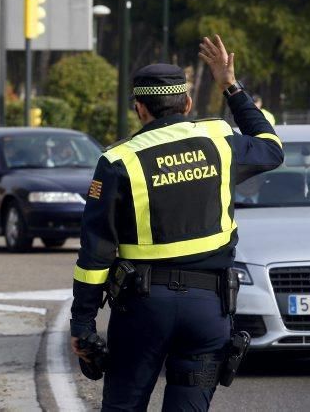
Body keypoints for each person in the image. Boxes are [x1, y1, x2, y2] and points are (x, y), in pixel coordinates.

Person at [70, 35, 284, 411]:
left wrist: (83, 325)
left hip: (142, 311)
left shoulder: (119, 160)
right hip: (208, 311)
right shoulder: (220, 140)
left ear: (139, 108)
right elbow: (269, 144)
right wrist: (230, 86)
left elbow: (95, 253)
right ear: (187, 103)